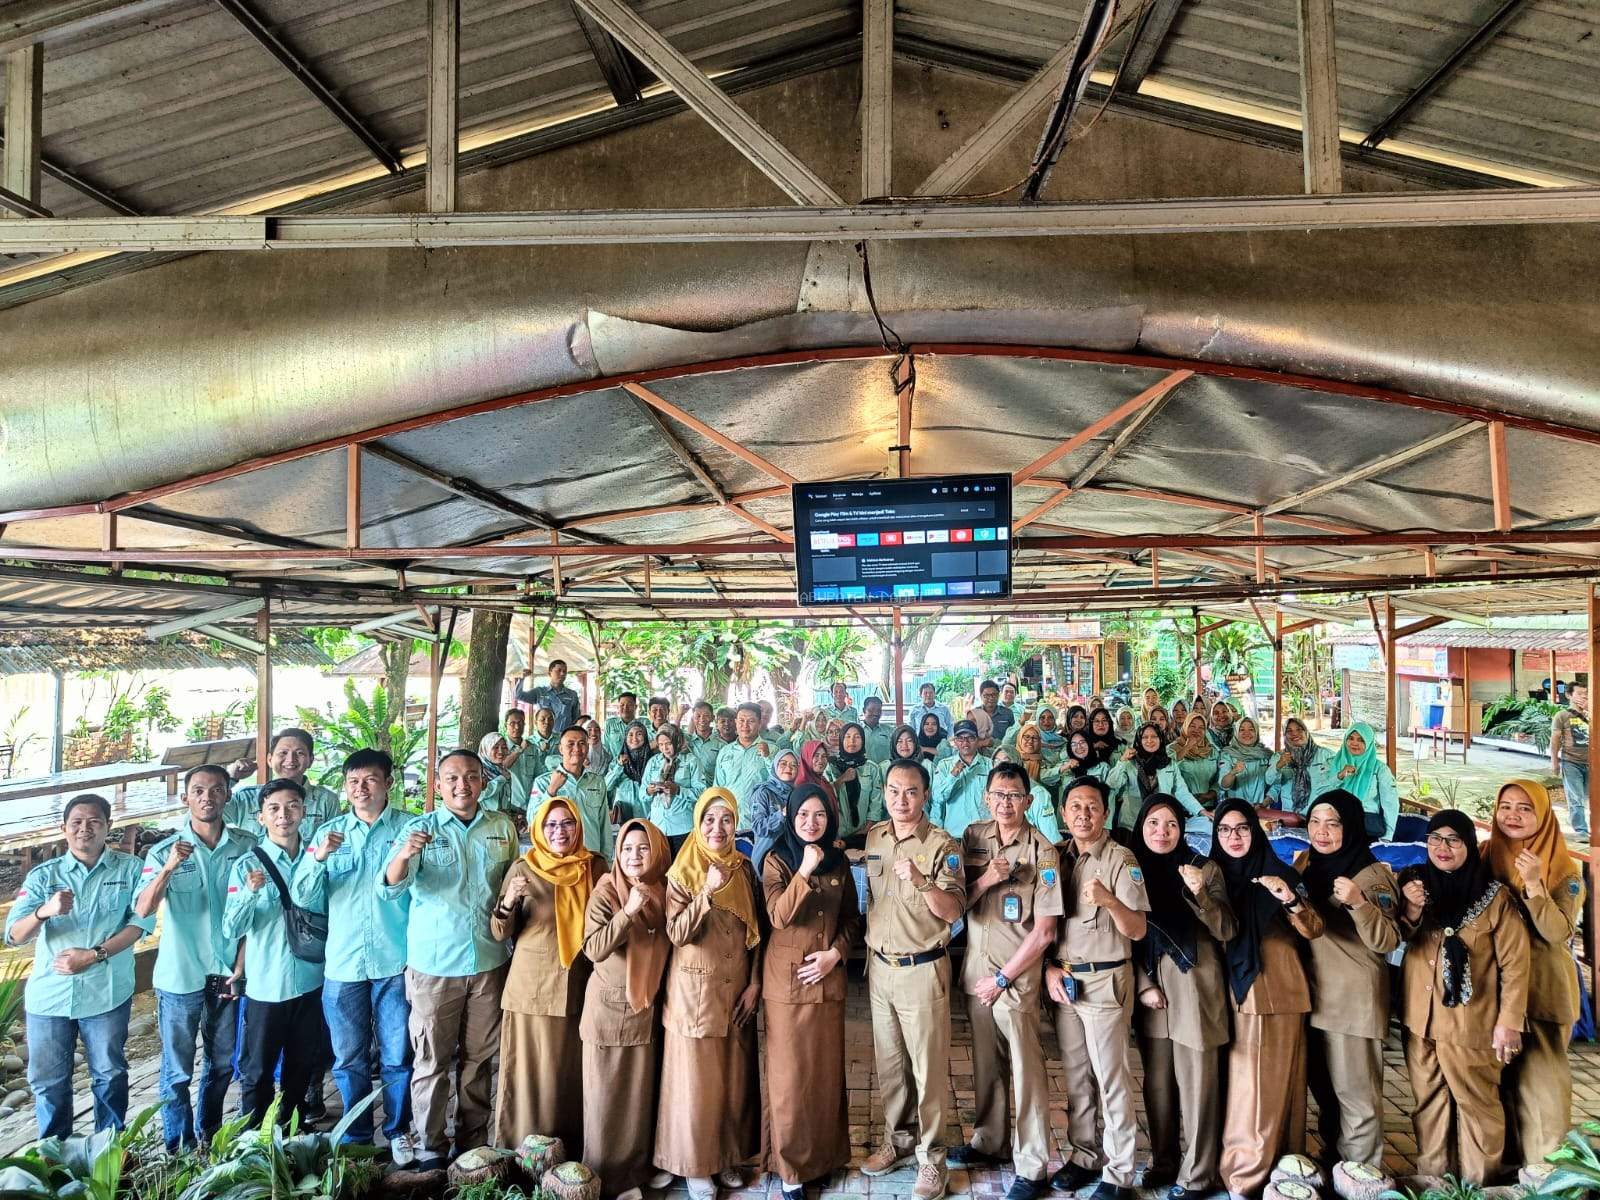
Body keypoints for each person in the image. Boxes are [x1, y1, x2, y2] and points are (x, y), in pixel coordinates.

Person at [382, 749, 518, 1168]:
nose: (463, 785)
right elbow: (391, 885)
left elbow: (513, 884)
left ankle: (474, 1144)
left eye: (471, 777)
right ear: (438, 786)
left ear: (483, 782)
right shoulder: (419, 830)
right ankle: (431, 1146)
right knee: (432, 1061)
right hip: (435, 967)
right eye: (453, 778)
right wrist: (405, 854)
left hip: (488, 962)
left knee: (478, 1062)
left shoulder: (500, 827)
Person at [291, 750, 418, 1162]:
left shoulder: (408, 829)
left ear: (388, 784)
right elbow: (303, 897)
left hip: (394, 959)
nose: (361, 789)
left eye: (370, 780)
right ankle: (357, 1133)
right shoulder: (329, 833)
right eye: (353, 782)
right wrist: (319, 857)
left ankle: (399, 1130)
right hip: (343, 963)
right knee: (348, 1058)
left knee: (398, 1056)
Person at [6, 794, 154, 1139]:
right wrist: (44, 912)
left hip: (106, 992)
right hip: (50, 997)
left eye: (94, 822)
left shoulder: (131, 870)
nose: (84, 829)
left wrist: (95, 954)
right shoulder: (45, 876)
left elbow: (140, 925)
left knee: (110, 1073)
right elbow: (13, 935)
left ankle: (108, 1151)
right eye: (76, 822)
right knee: (49, 1080)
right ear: (64, 829)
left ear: (108, 827)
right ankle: (55, 1156)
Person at [949, 763, 1062, 1200]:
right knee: (985, 1061)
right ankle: (990, 1141)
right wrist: (988, 878)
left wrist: (1003, 977)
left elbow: (1045, 931)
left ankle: (1033, 1164)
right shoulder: (973, 838)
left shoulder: (1043, 852)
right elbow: (958, 904)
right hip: (977, 973)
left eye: (1015, 796)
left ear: (1029, 801)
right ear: (986, 798)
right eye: (999, 795)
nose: (1006, 803)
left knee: (1026, 1069)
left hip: (1014, 979)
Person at [1399, 810, 1528, 1184]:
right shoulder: (1416, 884)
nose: (1442, 848)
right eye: (1434, 839)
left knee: (1477, 1105)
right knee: (1428, 1103)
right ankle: (1434, 1181)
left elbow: (1516, 965)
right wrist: (1411, 907)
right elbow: (1399, 936)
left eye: (1453, 840)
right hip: (1419, 1017)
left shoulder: (1494, 897)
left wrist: (1509, 1023)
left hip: (1472, 1022)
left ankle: (1478, 1185)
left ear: (1469, 845)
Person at [135, 765, 256, 1152]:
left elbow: (257, 913)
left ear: (227, 796)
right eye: (199, 790)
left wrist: (241, 964)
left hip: (227, 971)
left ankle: (210, 1133)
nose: (207, 797)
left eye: (216, 790)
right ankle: (178, 1145)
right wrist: (169, 867)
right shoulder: (162, 851)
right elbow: (142, 909)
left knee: (221, 1063)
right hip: (180, 974)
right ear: (187, 797)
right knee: (176, 1070)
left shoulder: (247, 845)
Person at [860, 760, 966, 1200]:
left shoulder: (942, 844)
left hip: (923, 970)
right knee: (891, 1068)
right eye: (893, 790)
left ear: (925, 795)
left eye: (910, 792)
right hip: (879, 968)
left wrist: (922, 881)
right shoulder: (875, 837)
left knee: (927, 1071)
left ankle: (932, 1160)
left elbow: (954, 910)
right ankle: (899, 1141)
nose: (900, 800)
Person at [1209, 799, 1323, 1200]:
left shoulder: (1278, 873)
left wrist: (1288, 898)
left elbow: (1313, 928)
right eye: (1224, 830)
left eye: (1241, 828)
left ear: (1256, 831)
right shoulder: (1214, 874)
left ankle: (1248, 1176)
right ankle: (1278, 1167)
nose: (1233, 837)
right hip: (1232, 992)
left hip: (1272, 992)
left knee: (1261, 1087)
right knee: (1253, 1085)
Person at [655, 789, 764, 1200]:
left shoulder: (745, 868)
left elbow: (757, 937)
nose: (717, 829)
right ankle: (695, 1166)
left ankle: (726, 1157)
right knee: (695, 1085)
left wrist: (755, 984)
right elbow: (677, 933)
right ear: (698, 825)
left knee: (732, 1081)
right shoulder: (683, 871)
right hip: (694, 994)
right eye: (709, 820)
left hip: (736, 989)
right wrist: (706, 892)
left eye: (726, 821)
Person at [1046, 777, 1149, 1200]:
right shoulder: (1060, 857)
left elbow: (1138, 929)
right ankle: (1085, 1155)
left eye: (1091, 806)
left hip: (1105, 981)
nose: (1083, 814)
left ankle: (1119, 1172)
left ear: (1105, 813)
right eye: (1075, 806)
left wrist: (1109, 900)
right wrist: (1050, 967)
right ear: (1063, 813)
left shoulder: (1121, 860)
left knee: (1112, 1080)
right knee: (1077, 1077)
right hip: (1065, 981)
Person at [1130, 795, 1234, 1200]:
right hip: (1150, 981)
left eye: (1171, 824)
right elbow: (1121, 936)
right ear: (1141, 826)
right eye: (1153, 823)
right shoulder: (1131, 869)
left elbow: (1226, 928)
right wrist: (1143, 984)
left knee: (1198, 1080)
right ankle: (1164, 1161)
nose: (1162, 832)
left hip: (1195, 981)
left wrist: (1200, 895)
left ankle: (1198, 1173)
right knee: (1158, 1080)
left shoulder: (1204, 867)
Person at [761, 785, 861, 1200]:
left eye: (819, 815)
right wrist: (803, 870)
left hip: (828, 981)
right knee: (789, 1080)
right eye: (803, 814)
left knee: (823, 1075)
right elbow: (778, 915)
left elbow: (853, 920)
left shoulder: (840, 861)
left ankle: (823, 1159)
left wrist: (835, 956)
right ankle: (790, 1170)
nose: (811, 823)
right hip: (787, 986)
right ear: (790, 815)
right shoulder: (777, 859)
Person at [1293, 789, 1400, 1168]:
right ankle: (1333, 1161)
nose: (1321, 832)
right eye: (1315, 822)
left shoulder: (1370, 875)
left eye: (1333, 823)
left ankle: (1361, 1175)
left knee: (1356, 1095)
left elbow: (1387, 939)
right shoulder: (1308, 862)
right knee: (1324, 1090)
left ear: (1351, 826)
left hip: (1354, 1000)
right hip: (1315, 994)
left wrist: (1358, 903)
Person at [491, 797, 604, 1152]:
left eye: (567, 823)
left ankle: (567, 1152)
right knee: (530, 1076)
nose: (559, 832)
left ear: (578, 826)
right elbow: (499, 930)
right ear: (539, 828)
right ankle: (523, 1153)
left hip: (580, 984)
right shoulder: (524, 868)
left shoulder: (594, 866)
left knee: (570, 1074)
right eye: (551, 825)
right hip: (533, 987)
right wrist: (509, 900)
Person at [1486, 779, 1584, 1163]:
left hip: (1542, 991)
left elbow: (1559, 932)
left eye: (1525, 808)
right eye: (1506, 806)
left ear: (1543, 816)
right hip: (1494, 988)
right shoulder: (1485, 855)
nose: (1513, 815)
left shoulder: (1564, 869)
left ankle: (1547, 1172)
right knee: (1499, 1083)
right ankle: (1508, 1166)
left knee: (1542, 1084)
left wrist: (1534, 886)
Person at [223, 779, 325, 1128]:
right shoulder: (248, 866)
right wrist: (248, 895)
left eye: (292, 806)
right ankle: (254, 1140)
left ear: (304, 811)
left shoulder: (317, 856)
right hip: (268, 985)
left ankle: (293, 1132)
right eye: (275, 809)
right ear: (261, 817)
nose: (284, 815)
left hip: (312, 980)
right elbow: (230, 927)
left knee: (302, 1064)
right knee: (258, 1070)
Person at [582, 818, 675, 1200]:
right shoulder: (608, 889)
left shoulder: (665, 888)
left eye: (643, 848)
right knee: (607, 1099)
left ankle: (634, 1172)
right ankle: (607, 1179)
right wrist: (627, 912)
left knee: (637, 1097)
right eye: (626, 849)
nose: (634, 856)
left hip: (647, 1005)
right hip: (610, 1009)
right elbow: (593, 947)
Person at [226, 727, 340, 836]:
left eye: (299, 753)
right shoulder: (246, 799)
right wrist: (230, 778)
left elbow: (335, 844)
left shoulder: (325, 800)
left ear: (310, 760)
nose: (291, 759)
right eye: (283, 753)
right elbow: (211, 813)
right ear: (270, 760)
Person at [534, 726, 614, 860]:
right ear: (561, 749)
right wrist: (551, 790)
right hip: (557, 861)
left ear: (587, 748)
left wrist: (605, 859)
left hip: (590, 857)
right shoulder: (543, 782)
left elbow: (604, 823)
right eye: (570, 744)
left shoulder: (597, 782)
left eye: (582, 743)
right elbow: (533, 820)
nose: (577, 749)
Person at [1106, 723, 1200, 834]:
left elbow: (1182, 792)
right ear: (1139, 740)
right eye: (1145, 737)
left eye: (1154, 736)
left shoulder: (1169, 764)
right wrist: (1121, 761)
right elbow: (1112, 784)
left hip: (1160, 825)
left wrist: (1200, 811)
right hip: (1132, 825)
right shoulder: (1129, 762)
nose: (1149, 740)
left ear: (1160, 739)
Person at [641, 722, 704, 851]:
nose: (665, 748)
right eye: (661, 745)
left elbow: (702, 792)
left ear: (678, 741)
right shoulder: (653, 762)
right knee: (660, 867)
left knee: (681, 868)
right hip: (658, 825)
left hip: (683, 826)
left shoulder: (691, 761)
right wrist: (649, 790)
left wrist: (679, 790)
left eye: (668, 743)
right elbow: (642, 794)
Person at [1329, 723, 1398, 839]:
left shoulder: (1379, 769)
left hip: (1366, 828)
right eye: (1351, 738)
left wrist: (1387, 837)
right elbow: (1325, 792)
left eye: (1361, 740)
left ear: (1369, 743)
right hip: (1337, 824)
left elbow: (1390, 803)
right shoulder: (1335, 763)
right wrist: (1340, 775)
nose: (1355, 743)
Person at [931, 720, 992, 837]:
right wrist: (953, 775)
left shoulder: (990, 766)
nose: (965, 742)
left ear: (978, 740)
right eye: (960, 738)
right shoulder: (944, 766)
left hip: (985, 834)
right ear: (955, 742)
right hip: (954, 834)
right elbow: (938, 798)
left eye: (970, 738)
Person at [1267, 717, 1335, 820]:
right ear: (1285, 736)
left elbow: (1336, 782)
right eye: (1289, 731)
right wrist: (1279, 765)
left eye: (1299, 729)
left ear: (1306, 732)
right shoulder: (1279, 757)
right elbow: (1269, 781)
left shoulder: (1325, 755)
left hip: (1319, 816)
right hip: (1291, 817)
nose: (1295, 734)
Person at [830, 722, 886, 842]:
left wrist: (866, 830)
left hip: (865, 833)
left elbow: (876, 802)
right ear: (841, 740)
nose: (852, 741)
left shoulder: (872, 768)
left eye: (857, 736)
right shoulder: (831, 767)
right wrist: (841, 779)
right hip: (836, 836)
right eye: (848, 736)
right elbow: (826, 796)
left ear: (863, 740)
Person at [991, 748, 1061, 842]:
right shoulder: (992, 793)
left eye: (1006, 761)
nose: (1000, 766)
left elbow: (1052, 838)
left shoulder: (1037, 793)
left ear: (1017, 763)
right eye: (996, 761)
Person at [746, 749, 800, 871]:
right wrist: (782, 814)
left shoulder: (796, 794)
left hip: (792, 859)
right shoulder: (763, 793)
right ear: (774, 766)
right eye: (783, 763)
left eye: (793, 765)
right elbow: (758, 827)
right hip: (767, 859)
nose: (788, 768)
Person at [1550, 682, 1589, 839]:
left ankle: (1576, 820)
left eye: (1585, 693)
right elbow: (1555, 740)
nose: (1584, 696)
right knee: (1576, 797)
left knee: (1589, 797)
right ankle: (1581, 830)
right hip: (1571, 761)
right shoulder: (1562, 716)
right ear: (1569, 695)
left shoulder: (1593, 713)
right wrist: (1554, 762)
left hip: (1593, 763)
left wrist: (1590, 711)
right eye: (1579, 694)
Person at [716, 703, 775, 806]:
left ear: (760, 723)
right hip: (730, 816)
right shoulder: (725, 751)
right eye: (741, 720)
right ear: (736, 722)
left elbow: (778, 781)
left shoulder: (772, 749)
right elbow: (718, 787)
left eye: (751, 721)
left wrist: (767, 757)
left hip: (759, 816)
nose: (745, 725)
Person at [606, 720, 655, 825]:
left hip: (649, 818)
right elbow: (607, 786)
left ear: (645, 737)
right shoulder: (616, 762)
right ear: (625, 738)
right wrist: (619, 767)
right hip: (623, 820)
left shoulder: (654, 761)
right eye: (630, 735)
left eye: (639, 734)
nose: (634, 738)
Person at [1217, 718, 1274, 807]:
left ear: (1257, 733)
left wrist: (1264, 803)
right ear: (1236, 733)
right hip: (1235, 809)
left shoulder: (1267, 755)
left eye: (1251, 729)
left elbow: (1275, 784)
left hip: (1260, 810)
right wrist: (1233, 772)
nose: (1246, 733)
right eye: (1242, 729)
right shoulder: (1228, 754)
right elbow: (1224, 785)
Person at [517, 658, 581, 734]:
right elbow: (519, 695)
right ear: (550, 673)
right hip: (544, 738)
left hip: (564, 738)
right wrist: (522, 679)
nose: (562, 674)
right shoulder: (539, 692)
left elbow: (576, 719)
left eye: (564, 671)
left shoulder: (572, 695)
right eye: (559, 670)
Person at [1171, 716, 1220, 811]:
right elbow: (1168, 771)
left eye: (1201, 727)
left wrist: (1209, 795)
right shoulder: (1172, 749)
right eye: (1192, 726)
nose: (1196, 730)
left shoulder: (1212, 751)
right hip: (1180, 808)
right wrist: (1187, 747)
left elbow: (1220, 778)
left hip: (1209, 807)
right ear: (1185, 727)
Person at [498, 708, 541, 800]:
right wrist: (520, 750)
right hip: (510, 803)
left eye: (520, 723)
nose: (517, 727)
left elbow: (538, 775)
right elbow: (502, 766)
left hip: (531, 801)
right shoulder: (500, 748)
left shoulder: (532, 747)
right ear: (506, 725)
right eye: (512, 723)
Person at [687, 702, 725, 781]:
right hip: (689, 791)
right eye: (698, 716)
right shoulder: (686, 741)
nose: (702, 719)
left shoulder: (722, 745)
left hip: (711, 791)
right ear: (693, 718)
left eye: (706, 715)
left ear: (712, 718)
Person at [976, 680, 1014, 748]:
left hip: (1002, 752)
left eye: (994, 695)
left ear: (998, 695)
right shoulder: (975, 714)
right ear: (981, 696)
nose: (991, 698)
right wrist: (983, 743)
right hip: (980, 752)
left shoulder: (1008, 713)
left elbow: (1012, 736)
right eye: (987, 695)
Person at [602, 693, 641, 758]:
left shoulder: (642, 723)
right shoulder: (610, 723)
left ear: (635, 707)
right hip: (615, 766)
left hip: (638, 765)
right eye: (622, 705)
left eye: (629, 705)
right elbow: (606, 748)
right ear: (618, 707)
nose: (625, 708)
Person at [860, 696, 893, 763]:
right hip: (863, 772)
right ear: (864, 710)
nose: (876, 713)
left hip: (885, 771)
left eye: (879, 710)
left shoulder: (889, 731)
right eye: (871, 710)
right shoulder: (856, 731)